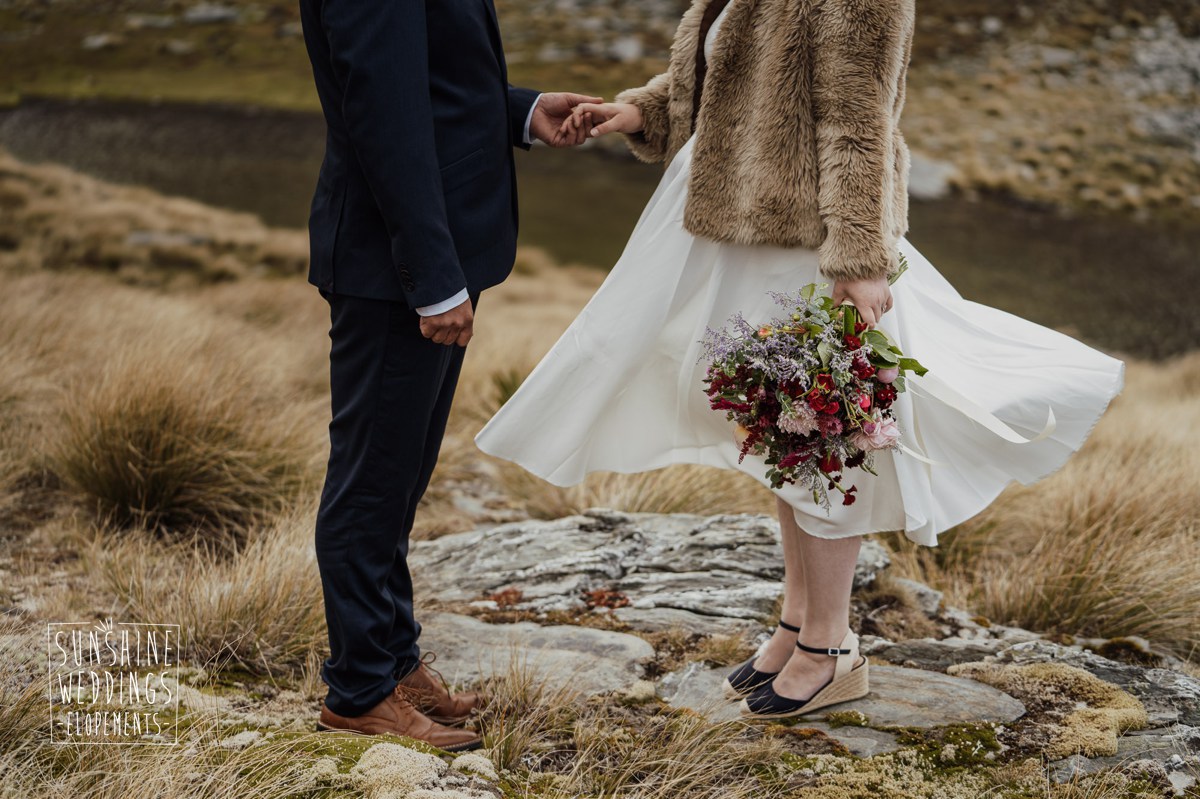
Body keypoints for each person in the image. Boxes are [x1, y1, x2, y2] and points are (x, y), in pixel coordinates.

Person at [476, 0, 1124, 719]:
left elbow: (858, 124)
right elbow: (723, 81)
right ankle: (797, 622)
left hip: (802, 242)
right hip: (734, 232)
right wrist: (640, 113)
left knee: (821, 440)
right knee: (778, 433)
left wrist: (856, 258)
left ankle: (829, 645)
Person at [297, 0, 599, 749]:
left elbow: (427, 82)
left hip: (428, 256)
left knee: (398, 475)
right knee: (370, 481)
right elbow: (382, 109)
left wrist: (523, 112)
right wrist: (431, 277)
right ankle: (360, 688)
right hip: (393, 267)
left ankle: (392, 659)